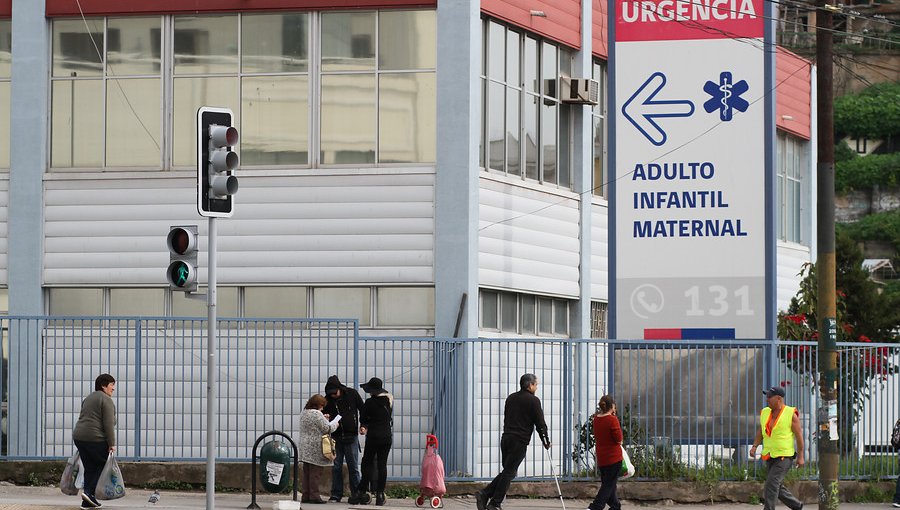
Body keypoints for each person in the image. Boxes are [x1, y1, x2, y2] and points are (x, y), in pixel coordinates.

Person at [476, 373, 550, 510]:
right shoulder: (534, 401)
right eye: (536, 384)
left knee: (508, 471)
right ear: (530, 385)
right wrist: (545, 440)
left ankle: (485, 494)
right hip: (519, 441)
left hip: (506, 438)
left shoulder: (511, 398)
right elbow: (540, 423)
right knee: (509, 472)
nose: (537, 387)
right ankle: (494, 502)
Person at [750, 386, 805, 510]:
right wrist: (754, 446)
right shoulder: (765, 412)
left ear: (779, 399)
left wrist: (800, 457)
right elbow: (761, 431)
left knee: (771, 484)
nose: (767, 399)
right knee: (776, 485)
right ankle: (797, 506)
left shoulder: (791, 414)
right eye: (767, 396)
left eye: (770, 397)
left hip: (784, 456)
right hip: (770, 454)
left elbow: (799, 436)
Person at [72, 374, 117, 509]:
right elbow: (108, 424)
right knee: (102, 465)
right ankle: (89, 493)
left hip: (79, 437)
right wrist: (112, 444)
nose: (113, 389)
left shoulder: (88, 398)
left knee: (91, 467)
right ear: (103, 385)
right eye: (111, 385)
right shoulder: (106, 399)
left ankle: (87, 502)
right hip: (95, 438)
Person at [323, 375, 365, 503]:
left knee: (353, 467)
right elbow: (322, 415)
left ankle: (357, 493)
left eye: (334, 393)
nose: (333, 395)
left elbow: (362, 410)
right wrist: (325, 418)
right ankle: (336, 494)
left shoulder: (352, 394)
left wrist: (363, 425)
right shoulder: (327, 399)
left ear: (339, 389)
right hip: (335, 437)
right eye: (330, 394)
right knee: (336, 467)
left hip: (351, 435)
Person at [356, 377, 394, 506]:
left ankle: (362, 490)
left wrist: (363, 426)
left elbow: (364, 418)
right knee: (382, 464)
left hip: (373, 437)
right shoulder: (388, 400)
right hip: (386, 436)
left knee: (367, 462)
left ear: (372, 390)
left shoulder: (369, 403)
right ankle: (380, 493)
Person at [299, 394, 340, 504]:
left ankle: (306, 495)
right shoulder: (317, 414)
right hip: (315, 446)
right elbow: (327, 428)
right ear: (318, 405)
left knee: (307, 472)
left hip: (304, 446)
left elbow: (315, 426)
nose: (323, 408)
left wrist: (324, 419)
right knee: (315, 473)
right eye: (322, 405)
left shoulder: (304, 413)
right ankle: (314, 496)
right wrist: (335, 424)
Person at [589, 395, 623, 510]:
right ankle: (595, 507)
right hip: (614, 458)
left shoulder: (596, 419)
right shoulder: (613, 420)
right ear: (612, 406)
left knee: (609, 485)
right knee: (608, 485)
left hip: (602, 458)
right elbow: (619, 439)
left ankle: (615, 507)